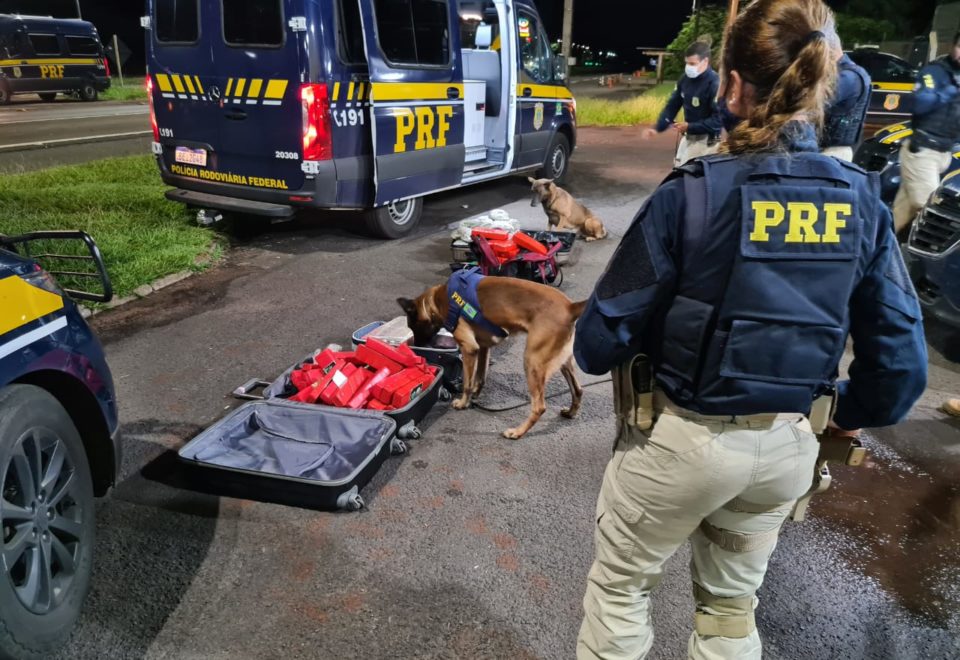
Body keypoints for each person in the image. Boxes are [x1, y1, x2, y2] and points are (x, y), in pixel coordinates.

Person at [573, 1, 928, 658]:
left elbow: (596, 344)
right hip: (787, 449)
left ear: (732, 86)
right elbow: (903, 369)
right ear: (825, 82)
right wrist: (838, 416)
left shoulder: (694, 192)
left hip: (681, 444)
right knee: (731, 610)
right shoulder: (861, 200)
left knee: (622, 591)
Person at [892, 33, 960, 234]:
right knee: (931, 210)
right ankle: (925, 262)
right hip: (922, 152)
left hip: (943, 154)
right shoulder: (935, 72)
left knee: (903, 211)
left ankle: (877, 249)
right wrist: (947, 91)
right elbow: (919, 104)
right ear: (952, 46)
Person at [643, 41, 722, 166]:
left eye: (692, 64)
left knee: (687, 174)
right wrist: (658, 127)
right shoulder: (684, 80)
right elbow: (672, 106)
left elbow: (718, 120)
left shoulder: (715, 83)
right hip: (689, 137)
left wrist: (690, 126)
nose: (688, 67)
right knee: (678, 167)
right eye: (687, 63)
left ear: (705, 62)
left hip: (707, 140)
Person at [821, 36, 871, 161]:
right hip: (834, 149)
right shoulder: (848, 73)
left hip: (833, 151)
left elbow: (811, 104)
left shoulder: (847, 76)